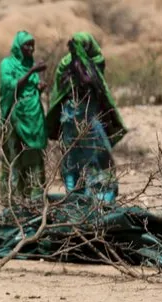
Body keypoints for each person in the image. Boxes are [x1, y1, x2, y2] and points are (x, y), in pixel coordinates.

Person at [46, 32, 128, 203]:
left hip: (68, 119)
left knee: (72, 160)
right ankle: (101, 200)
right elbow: (99, 92)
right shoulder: (91, 66)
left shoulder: (65, 64)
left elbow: (57, 94)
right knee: (98, 158)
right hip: (87, 120)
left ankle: (75, 197)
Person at [0, 31, 48, 202]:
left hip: (33, 117)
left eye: (32, 45)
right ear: (18, 47)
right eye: (27, 45)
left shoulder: (31, 65)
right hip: (14, 117)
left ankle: (33, 200)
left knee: (33, 158)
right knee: (14, 157)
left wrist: (39, 88)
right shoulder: (7, 64)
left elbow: (31, 89)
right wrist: (32, 71)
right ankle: (13, 201)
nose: (31, 48)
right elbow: (11, 86)